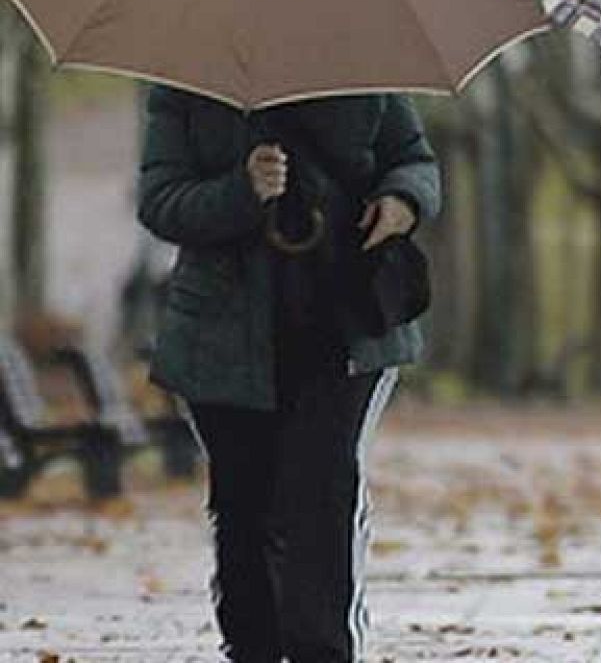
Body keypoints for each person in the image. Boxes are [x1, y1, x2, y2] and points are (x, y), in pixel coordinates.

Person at [138, 88, 440, 663]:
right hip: (223, 340)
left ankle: (324, 652)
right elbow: (159, 200)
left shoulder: (364, 64)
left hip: (346, 329)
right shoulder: (186, 86)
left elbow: (415, 161)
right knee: (243, 508)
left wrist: (403, 201)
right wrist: (242, 190)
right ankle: (251, 648)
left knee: (323, 496)